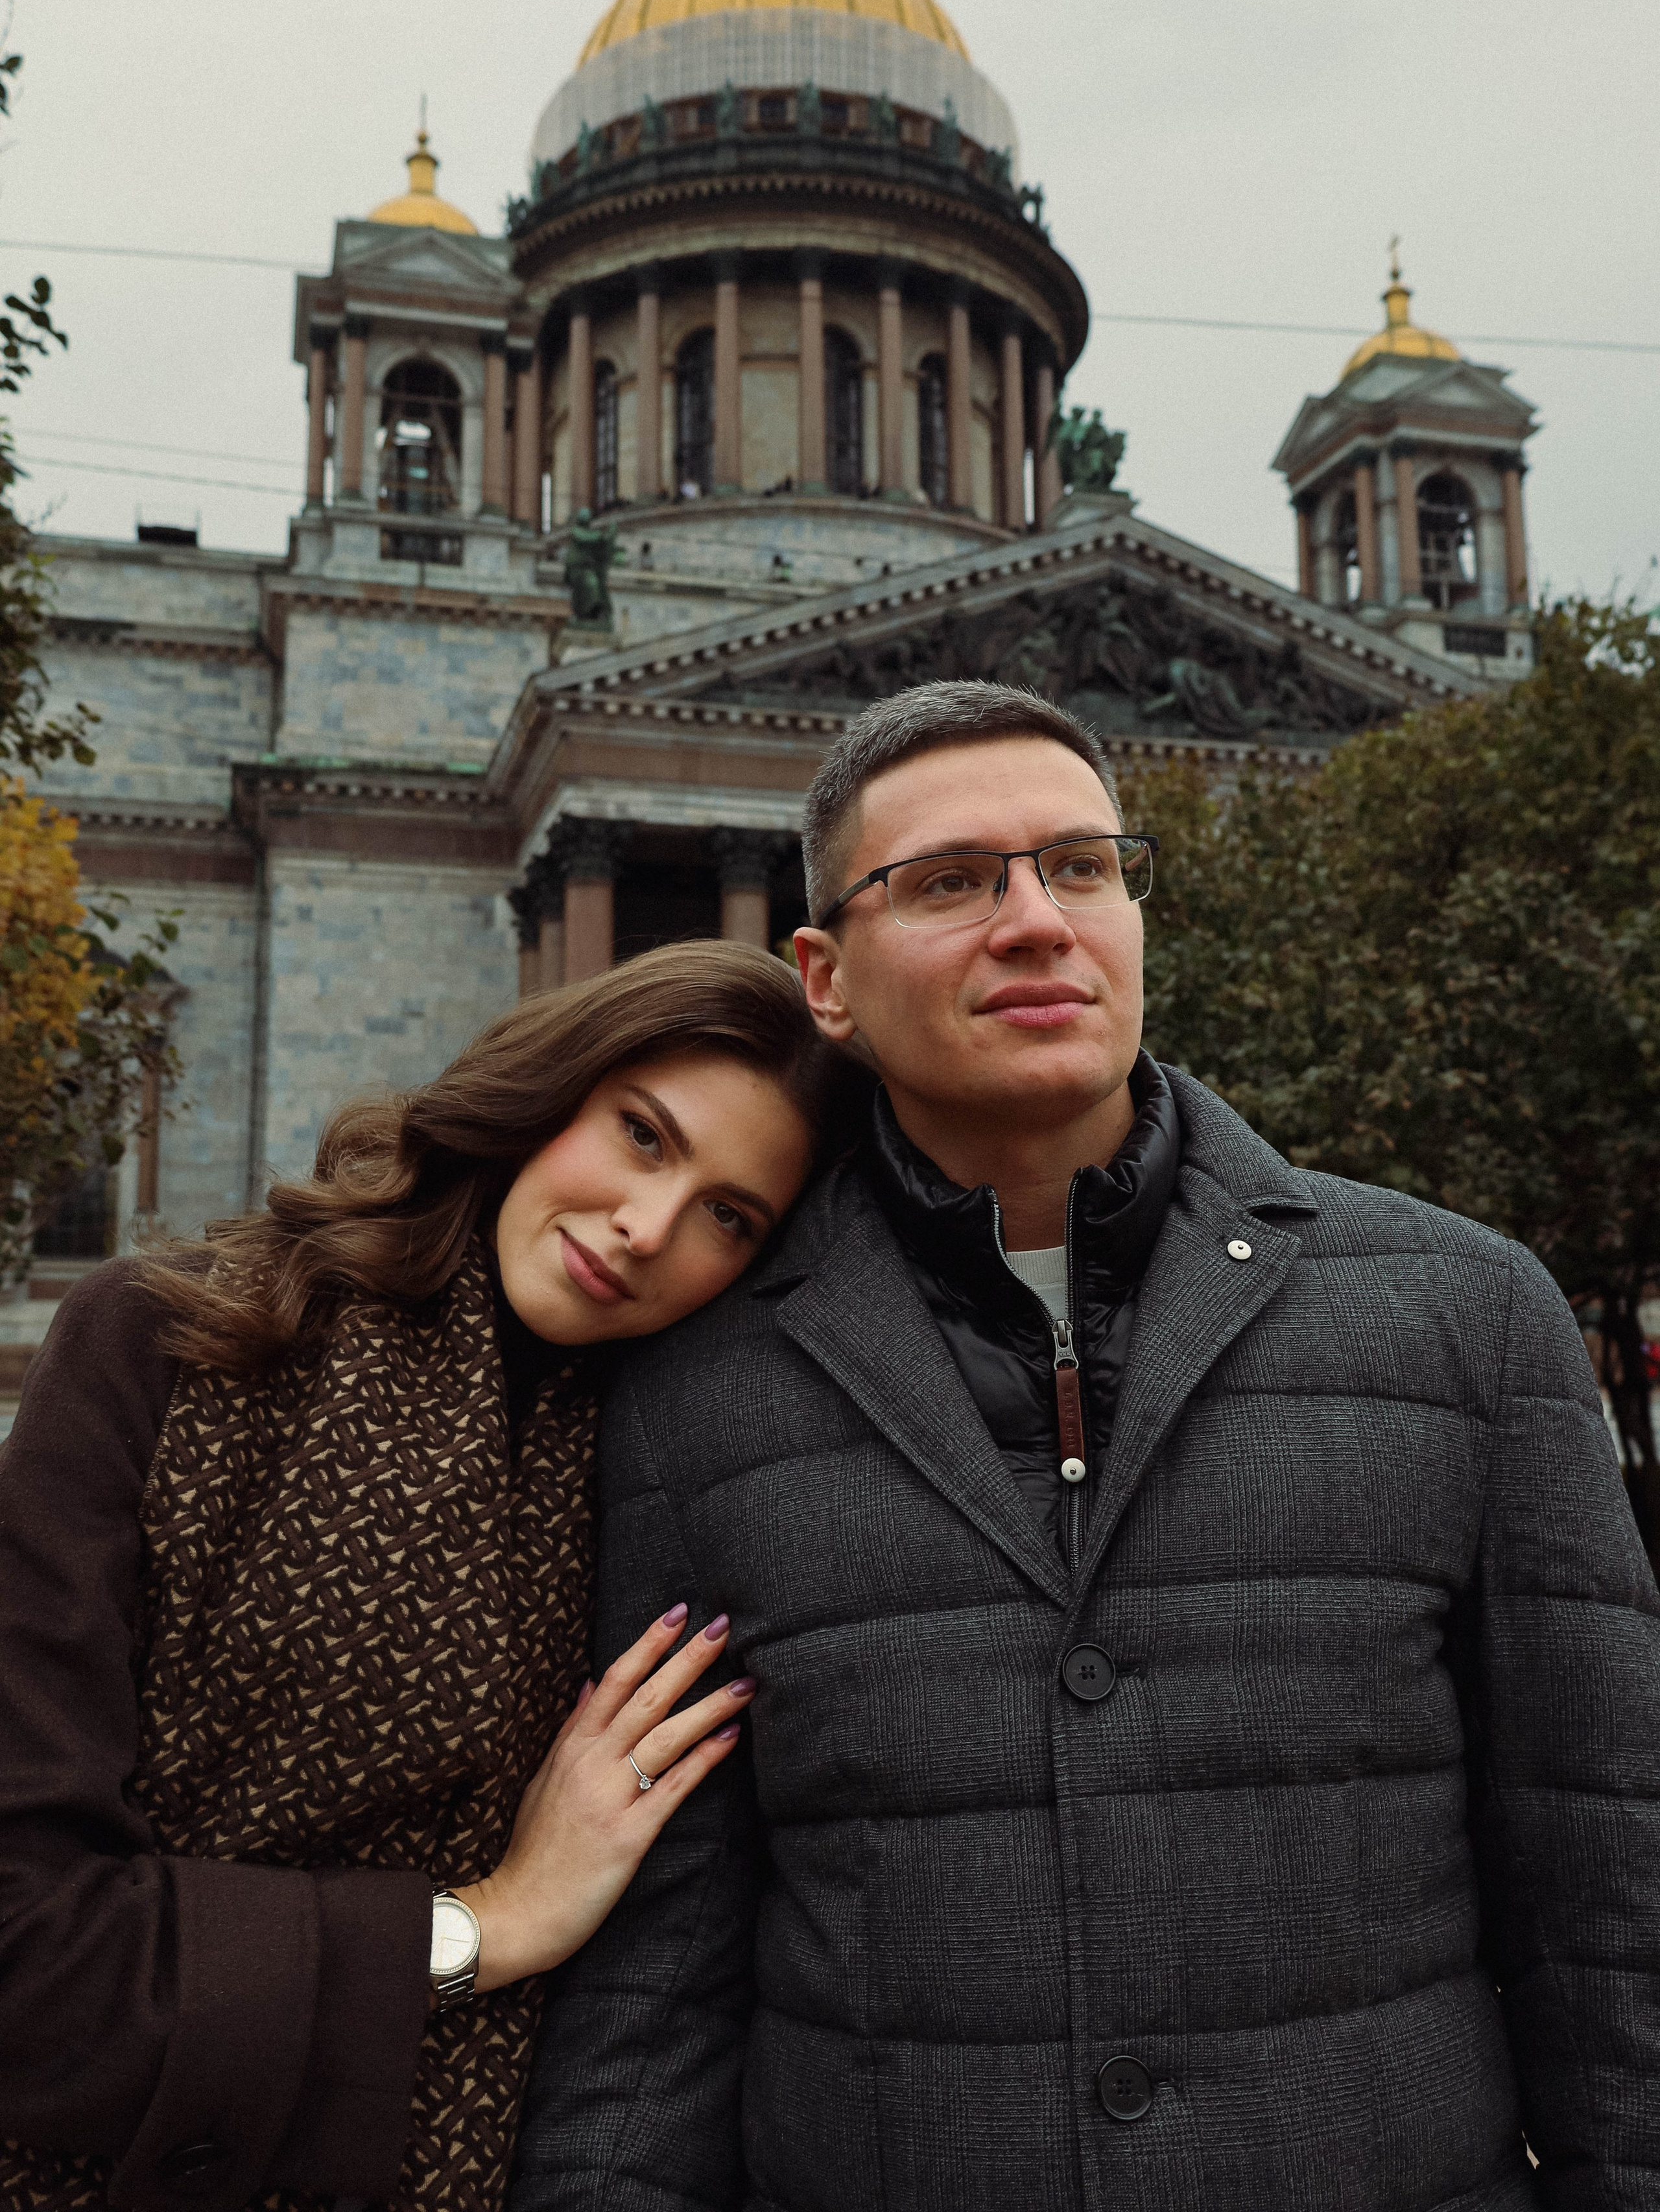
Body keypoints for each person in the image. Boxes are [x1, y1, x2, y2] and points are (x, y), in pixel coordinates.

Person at [514, 680, 1660, 2211]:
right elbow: (655, 1997)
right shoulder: (693, 1387)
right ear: (824, 980)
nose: (1037, 919)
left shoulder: (1463, 1318)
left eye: (1080, 867)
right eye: (946, 883)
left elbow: (1610, 1904)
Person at [0, 942, 858, 2212]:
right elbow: (24, 1948)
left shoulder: (671, 1487)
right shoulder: (172, 1342)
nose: (645, 1229)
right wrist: (486, 1927)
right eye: (641, 1135)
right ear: (549, 1088)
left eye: (729, 1217)